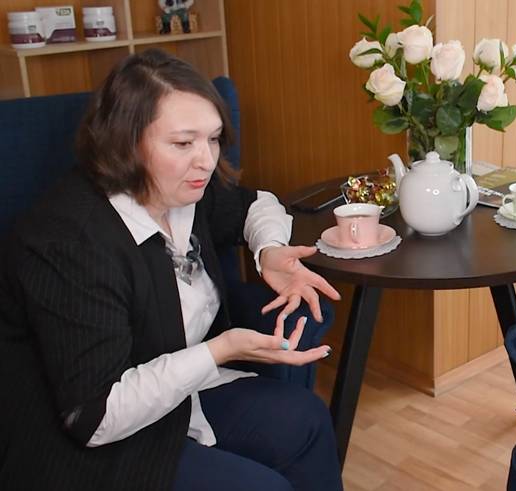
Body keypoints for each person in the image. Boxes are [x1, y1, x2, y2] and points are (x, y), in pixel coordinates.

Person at [0, 49, 344, 491]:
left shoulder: (183, 189)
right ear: (126, 143)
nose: (206, 160)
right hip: (86, 440)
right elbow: (94, 416)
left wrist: (270, 251)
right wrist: (220, 350)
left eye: (213, 138)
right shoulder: (67, 244)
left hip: (176, 395)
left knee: (307, 418)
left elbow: (258, 204)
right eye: (183, 143)